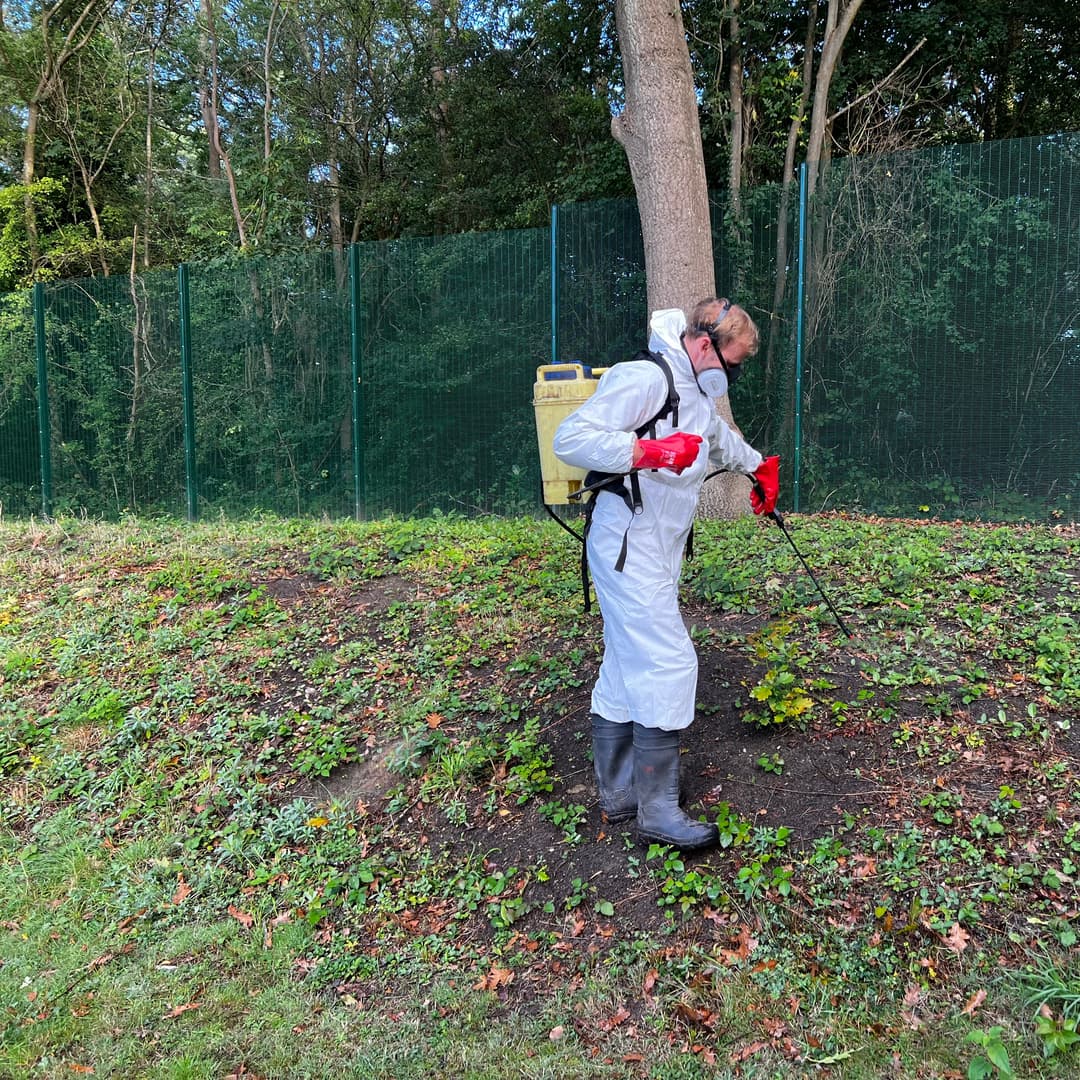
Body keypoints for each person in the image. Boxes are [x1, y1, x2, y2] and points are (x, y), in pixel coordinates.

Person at [553, 299, 779, 850]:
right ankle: (658, 810)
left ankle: (619, 793)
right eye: (735, 361)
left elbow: (717, 441)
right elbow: (571, 438)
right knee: (668, 659)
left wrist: (758, 467)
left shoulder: (695, 392)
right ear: (705, 345)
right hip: (627, 546)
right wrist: (646, 450)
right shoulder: (645, 379)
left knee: (628, 661)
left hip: (654, 549)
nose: (735, 374)